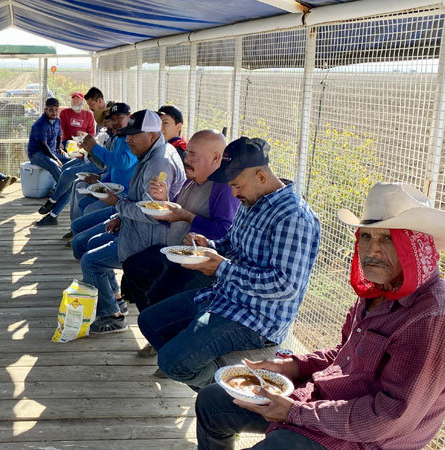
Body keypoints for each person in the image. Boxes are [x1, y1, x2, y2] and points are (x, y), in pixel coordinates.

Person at [195, 182, 445, 450]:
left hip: (369, 439)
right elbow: (344, 354)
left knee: (278, 444)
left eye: (388, 238)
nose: (372, 251)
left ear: (416, 246)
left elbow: (388, 418)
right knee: (212, 401)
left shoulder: (430, 316)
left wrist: (293, 413)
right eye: (366, 236)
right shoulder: (379, 289)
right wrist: (290, 366)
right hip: (326, 401)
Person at [138, 136, 321, 389]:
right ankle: (212, 380)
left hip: (256, 320)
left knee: (172, 362)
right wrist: (208, 246)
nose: (233, 193)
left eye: (237, 186)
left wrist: (221, 267)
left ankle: (224, 392)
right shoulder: (253, 199)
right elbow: (232, 245)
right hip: (226, 297)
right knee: (149, 321)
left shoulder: (293, 217)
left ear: (260, 176)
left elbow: (284, 286)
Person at [120, 130, 238, 358]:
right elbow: (175, 212)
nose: (187, 159)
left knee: (159, 295)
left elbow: (224, 232)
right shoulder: (192, 181)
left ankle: (170, 347)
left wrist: (185, 216)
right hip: (175, 251)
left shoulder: (223, 188)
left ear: (216, 158)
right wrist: (164, 201)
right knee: (135, 267)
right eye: (187, 154)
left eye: (193, 155)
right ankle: (160, 335)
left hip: (199, 263)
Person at [80, 109, 186, 334]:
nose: (128, 139)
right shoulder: (153, 153)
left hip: (149, 242)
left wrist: (116, 204)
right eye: (127, 133)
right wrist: (119, 216)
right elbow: (141, 200)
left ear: (152, 135)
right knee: (90, 246)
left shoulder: (159, 163)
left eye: (134, 134)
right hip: (136, 230)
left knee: (91, 261)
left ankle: (112, 316)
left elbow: (153, 213)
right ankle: (115, 302)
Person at [37, 102, 136, 227]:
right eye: (111, 118)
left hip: (125, 196)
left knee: (71, 176)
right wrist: (99, 179)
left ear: (130, 117)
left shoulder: (131, 138)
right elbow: (110, 168)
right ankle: (69, 223)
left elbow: (122, 162)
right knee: (77, 188)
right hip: (111, 186)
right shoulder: (117, 138)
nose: (112, 122)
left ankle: (56, 208)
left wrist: (94, 148)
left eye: (119, 118)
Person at [27, 97, 68, 184]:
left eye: (56, 110)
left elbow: (58, 136)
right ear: (45, 110)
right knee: (54, 164)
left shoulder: (57, 120)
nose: (54, 112)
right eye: (51, 110)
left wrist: (58, 148)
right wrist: (55, 159)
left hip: (52, 151)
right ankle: (64, 190)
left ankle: (70, 185)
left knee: (69, 160)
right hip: (37, 154)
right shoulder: (40, 124)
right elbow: (43, 145)